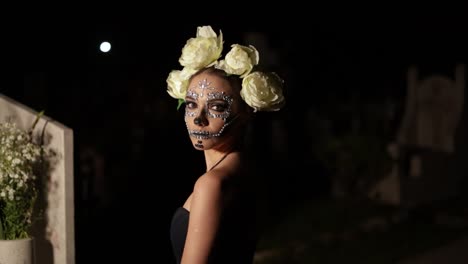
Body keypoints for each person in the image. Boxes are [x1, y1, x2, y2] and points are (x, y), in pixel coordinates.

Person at [166, 25, 285, 264]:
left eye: (217, 107)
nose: (199, 117)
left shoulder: (212, 184)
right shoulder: (246, 169)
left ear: (246, 113)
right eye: (191, 104)